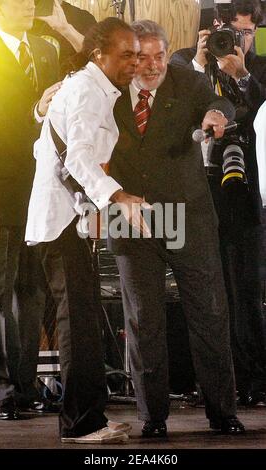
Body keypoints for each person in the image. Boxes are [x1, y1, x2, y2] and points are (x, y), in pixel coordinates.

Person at [107, 19, 245, 436]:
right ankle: (152, 419)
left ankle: (223, 413)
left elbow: (219, 106)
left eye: (158, 56)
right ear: (128, 57)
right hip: (130, 214)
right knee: (143, 320)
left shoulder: (188, 81)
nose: (150, 66)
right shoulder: (106, 90)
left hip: (188, 212)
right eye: (140, 57)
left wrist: (216, 115)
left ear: (169, 54)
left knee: (209, 312)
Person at [25, 17, 144, 444]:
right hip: (60, 224)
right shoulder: (86, 90)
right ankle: (79, 425)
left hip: (71, 221)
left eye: (137, 54)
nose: (134, 61)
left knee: (86, 322)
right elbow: (75, 159)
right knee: (76, 323)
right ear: (100, 54)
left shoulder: (95, 89)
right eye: (126, 54)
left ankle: (91, 417)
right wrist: (119, 198)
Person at [170, 0, 266, 405]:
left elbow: (261, 114)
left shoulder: (259, 69)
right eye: (233, 32)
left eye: (247, 34)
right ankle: (209, 382)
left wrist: (242, 74)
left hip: (244, 190)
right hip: (197, 186)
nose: (238, 42)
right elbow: (170, 108)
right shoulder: (184, 60)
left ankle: (255, 380)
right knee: (202, 289)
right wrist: (199, 61)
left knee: (246, 288)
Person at [0, 0, 60, 419]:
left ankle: (24, 384)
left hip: (38, 189)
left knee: (33, 290)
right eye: (15, 1)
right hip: (1, 186)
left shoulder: (45, 50)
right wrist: (35, 109)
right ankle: (1, 386)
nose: (25, 7)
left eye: (28, 1)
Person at [32, 0, 96, 72]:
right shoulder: (24, 16)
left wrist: (66, 29)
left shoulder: (84, 18)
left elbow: (97, 59)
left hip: (71, 81)